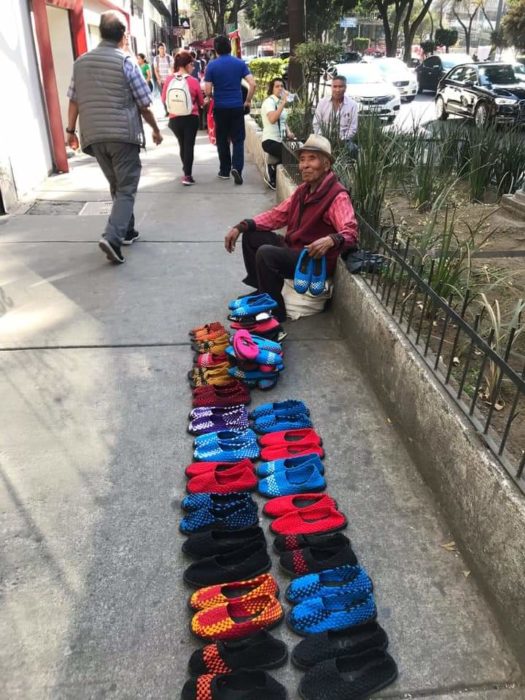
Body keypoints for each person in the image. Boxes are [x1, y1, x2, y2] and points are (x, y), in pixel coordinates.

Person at [224, 134, 358, 322]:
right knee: (251, 235)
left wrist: (331, 239)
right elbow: (277, 215)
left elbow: (350, 232)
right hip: (294, 249)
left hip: (311, 260)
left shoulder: (337, 196)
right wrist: (242, 226)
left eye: (312, 159)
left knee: (266, 253)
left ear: (326, 165)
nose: (304, 165)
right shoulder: (303, 191)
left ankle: (274, 312)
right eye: (302, 159)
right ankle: (263, 292)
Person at [66, 11, 162, 264]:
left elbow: (74, 100)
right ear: (122, 35)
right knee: (127, 188)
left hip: (94, 136)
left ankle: (126, 230)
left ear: (100, 32)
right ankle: (113, 236)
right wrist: (155, 129)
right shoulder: (126, 61)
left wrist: (70, 131)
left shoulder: (81, 62)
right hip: (122, 135)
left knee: (117, 185)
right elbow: (144, 103)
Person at [204, 35, 256, 185]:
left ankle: (225, 171)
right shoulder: (239, 63)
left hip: (220, 108)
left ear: (216, 49)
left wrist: (211, 95)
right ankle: (237, 169)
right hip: (237, 107)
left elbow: (207, 90)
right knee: (238, 139)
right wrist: (247, 101)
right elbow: (253, 84)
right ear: (230, 47)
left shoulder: (212, 66)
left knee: (222, 140)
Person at [162, 50, 204, 186]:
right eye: (191, 64)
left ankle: (185, 170)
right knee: (189, 145)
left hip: (174, 118)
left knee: (182, 144)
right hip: (190, 118)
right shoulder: (193, 81)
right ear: (186, 65)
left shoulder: (169, 79)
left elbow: (163, 99)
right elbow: (201, 102)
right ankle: (187, 175)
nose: (193, 67)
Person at [313, 75, 359, 157]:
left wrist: (341, 139)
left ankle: (349, 168)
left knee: (353, 149)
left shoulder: (352, 105)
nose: (337, 90)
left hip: (343, 141)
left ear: (345, 88)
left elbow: (353, 128)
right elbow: (316, 123)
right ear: (331, 87)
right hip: (323, 139)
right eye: (335, 86)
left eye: (340, 87)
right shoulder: (323, 102)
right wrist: (323, 138)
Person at [260, 77, 293, 190]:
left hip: (280, 140)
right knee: (290, 157)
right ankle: (270, 170)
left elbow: (282, 120)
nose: (280, 89)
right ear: (272, 89)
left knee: (291, 155)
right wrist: (283, 102)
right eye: (277, 86)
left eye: (282, 86)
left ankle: (272, 165)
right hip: (270, 140)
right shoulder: (269, 102)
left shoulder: (278, 102)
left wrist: (289, 132)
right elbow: (273, 119)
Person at [154, 43, 174, 114]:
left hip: (169, 81)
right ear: (158, 49)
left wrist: (170, 79)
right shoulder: (156, 59)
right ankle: (166, 111)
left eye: (163, 48)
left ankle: (171, 110)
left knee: (170, 96)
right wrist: (159, 79)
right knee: (163, 97)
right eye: (161, 48)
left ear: (165, 48)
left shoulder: (169, 58)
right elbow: (156, 70)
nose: (162, 50)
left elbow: (172, 69)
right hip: (161, 81)